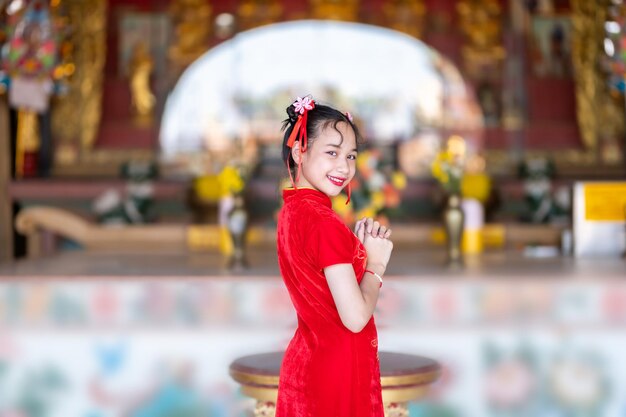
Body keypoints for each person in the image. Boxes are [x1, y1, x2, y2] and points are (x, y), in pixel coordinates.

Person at [275, 95, 394, 417]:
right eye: (332, 152)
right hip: (335, 377)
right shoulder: (323, 223)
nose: (344, 167)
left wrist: (352, 251)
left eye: (351, 156)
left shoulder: (293, 211)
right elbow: (355, 318)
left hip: (309, 363)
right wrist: (376, 265)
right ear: (299, 151)